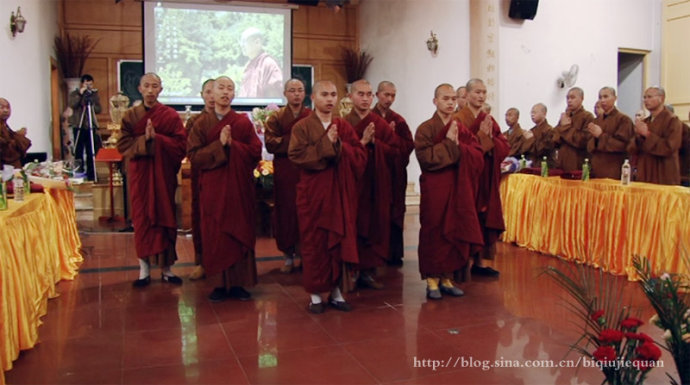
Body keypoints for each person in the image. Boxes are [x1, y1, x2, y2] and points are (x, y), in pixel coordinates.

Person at [287, 80, 367, 314]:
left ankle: (336, 292)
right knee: (314, 243)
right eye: (324, 94)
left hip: (338, 196)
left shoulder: (342, 126)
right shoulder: (302, 127)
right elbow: (297, 156)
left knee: (337, 241)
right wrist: (326, 145)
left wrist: (339, 145)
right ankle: (314, 294)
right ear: (313, 98)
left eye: (333, 94)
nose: (330, 99)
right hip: (313, 195)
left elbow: (359, 156)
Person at [187, 76, 262, 301]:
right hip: (213, 188)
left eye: (230, 88)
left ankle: (239, 283)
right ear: (211, 93)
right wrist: (218, 146)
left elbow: (255, 152)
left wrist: (232, 145)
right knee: (216, 233)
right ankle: (218, 284)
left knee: (239, 231)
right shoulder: (201, 124)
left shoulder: (242, 122)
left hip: (238, 189)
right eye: (221, 88)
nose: (225, 92)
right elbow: (194, 156)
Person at [415, 83, 484, 299]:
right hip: (435, 188)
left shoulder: (460, 127)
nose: (450, 102)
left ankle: (447, 277)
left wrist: (459, 146)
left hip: (456, 188)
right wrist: (449, 144)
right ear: (435, 101)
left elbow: (477, 154)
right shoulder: (425, 128)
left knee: (453, 230)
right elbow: (425, 158)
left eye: (454, 98)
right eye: (445, 98)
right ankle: (432, 280)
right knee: (434, 231)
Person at [117, 73, 187, 287]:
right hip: (140, 174)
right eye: (146, 86)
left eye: (154, 86)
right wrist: (143, 140)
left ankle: (167, 269)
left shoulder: (170, 116)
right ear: (139, 88)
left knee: (165, 217)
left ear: (160, 90)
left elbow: (180, 145)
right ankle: (143, 269)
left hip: (162, 175)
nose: (150, 90)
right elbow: (123, 145)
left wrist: (157, 139)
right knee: (142, 219)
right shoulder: (130, 116)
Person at [343, 79, 399, 289]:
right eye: (360, 94)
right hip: (354, 184)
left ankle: (368, 270)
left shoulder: (380, 124)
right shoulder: (344, 123)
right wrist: (362, 143)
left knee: (375, 224)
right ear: (351, 97)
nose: (365, 99)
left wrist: (376, 143)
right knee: (354, 223)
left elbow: (395, 152)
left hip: (376, 184)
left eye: (368, 95)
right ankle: (352, 270)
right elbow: (340, 152)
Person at [453, 79, 510, 277]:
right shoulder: (458, 119)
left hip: (486, 176)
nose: (481, 96)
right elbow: (460, 149)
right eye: (477, 92)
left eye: (484, 92)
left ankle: (480, 262)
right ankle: (463, 261)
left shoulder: (489, 119)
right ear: (467, 95)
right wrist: (483, 139)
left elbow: (504, 146)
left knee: (484, 218)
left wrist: (490, 138)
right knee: (469, 216)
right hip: (468, 177)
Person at [264, 78, 311, 273]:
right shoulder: (276, 117)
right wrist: (297, 141)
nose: (297, 94)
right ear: (285, 94)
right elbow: (271, 144)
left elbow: (316, 141)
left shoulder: (310, 116)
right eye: (292, 90)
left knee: (304, 211)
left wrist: (293, 142)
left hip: (305, 170)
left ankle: (305, 255)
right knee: (286, 211)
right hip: (284, 170)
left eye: (300, 90)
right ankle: (288, 256)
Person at [372, 81, 414, 267]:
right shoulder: (369, 118)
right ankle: (375, 253)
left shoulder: (399, 120)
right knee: (375, 211)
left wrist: (391, 136)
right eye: (386, 95)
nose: (389, 99)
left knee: (395, 211)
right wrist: (384, 138)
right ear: (377, 94)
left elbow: (407, 146)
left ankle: (394, 253)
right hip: (374, 174)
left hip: (395, 174)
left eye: (393, 95)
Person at [186, 78, 215, 281]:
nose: (213, 96)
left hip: (224, 178)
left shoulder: (232, 120)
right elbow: (191, 151)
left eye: (217, 91)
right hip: (201, 176)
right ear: (202, 95)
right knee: (201, 217)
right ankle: (202, 261)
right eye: (208, 92)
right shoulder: (194, 122)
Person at [628, 87, 682, 185]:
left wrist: (647, 134)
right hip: (645, 173)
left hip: (663, 173)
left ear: (661, 98)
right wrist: (638, 136)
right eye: (644, 97)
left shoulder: (672, 120)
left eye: (649, 97)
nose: (646, 100)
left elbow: (669, 147)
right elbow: (632, 149)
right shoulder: (645, 122)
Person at [586, 87, 634, 179]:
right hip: (597, 168)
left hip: (614, 168)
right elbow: (589, 146)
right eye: (600, 97)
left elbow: (622, 145)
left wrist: (601, 135)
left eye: (606, 96)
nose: (602, 100)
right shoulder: (596, 120)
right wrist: (595, 138)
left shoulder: (624, 119)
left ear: (615, 98)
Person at [69, 74, 102, 180]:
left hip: (90, 126)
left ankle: (92, 174)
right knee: (78, 150)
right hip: (79, 125)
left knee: (91, 150)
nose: (89, 86)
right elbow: (72, 104)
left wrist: (92, 103)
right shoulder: (75, 94)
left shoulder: (94, 94)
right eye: (87, 84)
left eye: (91, 84)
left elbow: (98, 109)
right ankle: (79, 173)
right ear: (82, 84)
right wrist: (80, 94)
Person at [553, 87, 595, 172]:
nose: (569, 101)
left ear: (581, 98)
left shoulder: (587, 116)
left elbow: (583, 141)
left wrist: (566, 128)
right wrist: (561, 126)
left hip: (577, 164)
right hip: (561, 163)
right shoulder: (565, 117)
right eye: (567, 98)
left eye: (572, 97)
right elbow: (554, 139)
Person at [237, 27, 283, 99]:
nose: (241, 45)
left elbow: (274, 98)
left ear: (257, 42)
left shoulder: (268, 64)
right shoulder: (248, 66)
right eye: (241, 42)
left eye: (244, 41)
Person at [0, 98, 32, 168]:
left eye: (8, 107)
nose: (5, 110)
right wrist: (19, 136)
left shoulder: (5, 126)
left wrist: (17, 135)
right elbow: (5, 149)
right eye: (1, 107)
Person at [522, 103, 555, 167]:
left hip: (545, 165)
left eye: (535, 112)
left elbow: (544, 149)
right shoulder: (532, 130)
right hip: (532, 164)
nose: (532, 115)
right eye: (531, 113)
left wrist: (531, 139)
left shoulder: (550, 130)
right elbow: (524, 150)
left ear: (544, 114)